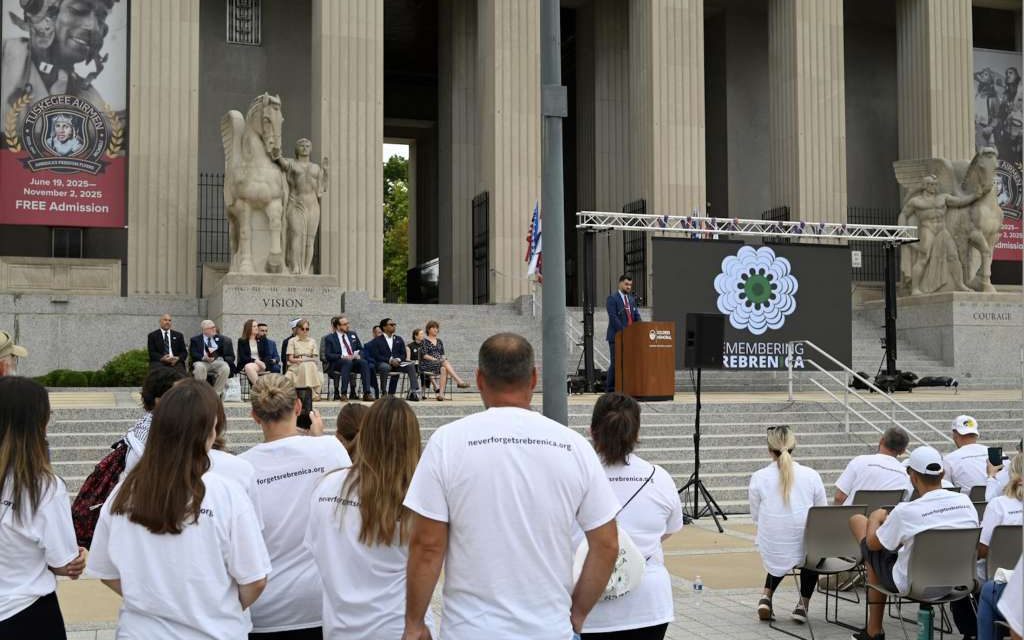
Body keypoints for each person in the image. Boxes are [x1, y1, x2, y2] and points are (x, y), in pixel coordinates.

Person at [402, 333, 620, 640]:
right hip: (549, 630)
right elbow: (607, 544)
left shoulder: (447, 442)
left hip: (471, 630)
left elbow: (427, 545)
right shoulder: (573, 446)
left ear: (479, 379)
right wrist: (578, 613)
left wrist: (414, 623)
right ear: (534, 378)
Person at [86, 380, 271, 638]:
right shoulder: (226, 493)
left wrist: (151, 601)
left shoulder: (124, 492)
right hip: (213, 632)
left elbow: (106, 571)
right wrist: (217, 608)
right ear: (210, 430)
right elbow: (255, 579)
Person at [306, 397, 433, 638]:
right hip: (398, 628)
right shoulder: (419, 495)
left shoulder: (327, 485)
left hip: (341, 628)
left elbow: (316, 549)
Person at [239, 374, 351, 638]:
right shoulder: (330, 449)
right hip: (321, 602)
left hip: (264, 607)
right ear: (299, 407)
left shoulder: (241, 468)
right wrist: (318, 440)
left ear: (254, 416)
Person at [579, 392, 683, 640]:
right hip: (649, 604)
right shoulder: (659, 477)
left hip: (588, 606)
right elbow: (669, 530)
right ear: (636, 434)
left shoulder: (576, 475)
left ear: (592, 431)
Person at [849, 446, 979, 640]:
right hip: (955, 583)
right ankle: (873, 629)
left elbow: (873, 544)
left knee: (860, 523)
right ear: (942, 473)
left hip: (913, 585)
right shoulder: (966, 503)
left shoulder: (905, 511)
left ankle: (874, 629)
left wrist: (876, 517)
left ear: (913, 477)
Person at [0, 377, 86, 639]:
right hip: (27, 614)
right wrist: (76, 558)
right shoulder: (44, 487)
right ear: (38, 423)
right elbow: (65, 562)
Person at [1, 0, 118, 134]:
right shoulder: (5, 55)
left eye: (101, 18)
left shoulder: (91, 99)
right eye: (79, 10)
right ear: (43, 13)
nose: (93, 27)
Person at [749, 425, 827, 624]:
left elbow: (756, 515)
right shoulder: (811, 475)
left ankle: (766, 596)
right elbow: (822, 513)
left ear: (769, 449)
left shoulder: (759, 477)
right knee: (811, 547)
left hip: (773, 545)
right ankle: (803, 605)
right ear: (794, 446)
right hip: (805, 548)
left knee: (785, 546)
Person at [951, 453, 1024, 637]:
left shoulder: (999, 505)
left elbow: (982, 550)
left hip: (1000, 577)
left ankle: (971, 632)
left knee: (964, 577)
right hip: (1014, 577)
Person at [124, 365, 188, 473]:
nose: (187, 400)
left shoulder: (173, 425)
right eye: (178, 395)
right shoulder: (148, 437)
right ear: (158, 400)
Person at [833, 427, 912, 505]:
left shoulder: (859, 461)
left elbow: (839, 498)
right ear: (902, 451)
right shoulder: (906, 476)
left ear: (881, 441)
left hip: (853, 513)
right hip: (886, 514)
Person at [366, 318, 421, 401]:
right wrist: (390, 360)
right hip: (383, 363)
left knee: (410, 365)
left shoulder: (398, 339)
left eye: (394, 324)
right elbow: (376, 355)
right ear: (384, 327)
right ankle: (384, 392)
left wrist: (398, 359)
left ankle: (413, 392)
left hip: (398, 363)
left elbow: (403, 354)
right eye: (391, 325)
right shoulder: (377, 340)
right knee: (385, 367)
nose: (394, 326)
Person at [323, 316, 373, 401]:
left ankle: (367, 393)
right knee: (347, 362)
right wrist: (342, 356)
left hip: (353, 360)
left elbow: (361, 349)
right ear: (338, 326)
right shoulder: (330, 338)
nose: (348, 326)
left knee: (364, 362)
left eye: (348, 323)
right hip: (338, 362)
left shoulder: (353, 334)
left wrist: (358, 355)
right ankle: (344, 393)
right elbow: (328, 355)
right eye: (345, 324)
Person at [606, 275, 641, 391]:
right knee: (616, 363)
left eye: (630, 285)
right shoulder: (612, 299)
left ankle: (624, 387)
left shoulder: (631, 300)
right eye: (626, 284)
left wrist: (641, 328)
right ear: (620, 284)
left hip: (629, 337)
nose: (628, 287)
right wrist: (624, 332)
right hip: (616, 337)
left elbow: (636, 316)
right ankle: (610, 389)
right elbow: (613, 317)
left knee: (627, 363)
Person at [419, 320, 470, 400]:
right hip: (427, 364)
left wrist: (442, 358)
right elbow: (424, 355)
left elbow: (442, 354)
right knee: (444, 362)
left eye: (437, 328)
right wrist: (435, 359)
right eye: (433, 328)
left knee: (444, 368)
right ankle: (459, 381)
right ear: (428, 329)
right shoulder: (424, 341)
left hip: (439, 364)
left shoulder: (439, 341)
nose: (436, 330)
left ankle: (441, 395)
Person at [943, 415, 989, 493]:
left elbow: (946, 489)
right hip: (998, 499)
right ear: (976, 435)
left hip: (966, 500)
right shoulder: (997, 453)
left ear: (955, 435)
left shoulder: (949, 460)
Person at [190, 320, 236, 397]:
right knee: (199, 367)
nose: (214, 329)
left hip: (216, 362)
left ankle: (216, 394)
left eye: (214, 327)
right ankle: (201, 393)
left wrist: (221, 358)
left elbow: (229, 355)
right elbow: (193, 353)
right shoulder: (195, 339)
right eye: (211, 328)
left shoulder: (221, 339)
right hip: (202, 361)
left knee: (225, 367)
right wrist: (203, 358)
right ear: (204, 330)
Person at [284, 318, 322, 397]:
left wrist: (305, 360)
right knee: (304, 365)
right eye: (302, 329)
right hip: (296, 364)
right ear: (297, 329)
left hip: (309, 364)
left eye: (307, 329)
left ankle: (310, 392)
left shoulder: (312, 341)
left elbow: (314, 358)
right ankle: (309, 392)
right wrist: (302, 360)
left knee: (309, 365)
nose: (305, 331)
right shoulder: (292, 341)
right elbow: (290, 358)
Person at [237, 319, 272, 386]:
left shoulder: (263, 339)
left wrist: (263, 363)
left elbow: (268, 355)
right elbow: (243, 357)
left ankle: (258, 388)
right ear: (248, 328)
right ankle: (259, 388)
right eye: (254, 326)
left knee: (249, 367)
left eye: (257, 326)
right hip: (247, 363)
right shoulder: (242, 341)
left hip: (262, 365)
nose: (257, 328)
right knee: (248, 367)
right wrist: (256, 361)